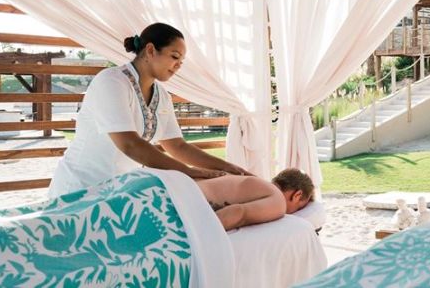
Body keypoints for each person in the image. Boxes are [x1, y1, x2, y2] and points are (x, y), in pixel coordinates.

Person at [49, 22, 249, 198]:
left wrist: (227, 167)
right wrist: (188, 172)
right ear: (151, 50)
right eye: (174, 56)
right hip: (80, 188)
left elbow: (177, 146)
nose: (178, 65)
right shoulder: (111, 81)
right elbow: (129, 144)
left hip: (118, 191)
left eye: (181, 61)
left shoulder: (162, 94)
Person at [195, 168, 315, 230]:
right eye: (299, 208)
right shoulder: (278, 201)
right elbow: (238, 213)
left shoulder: (257, 184)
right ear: (297, 195)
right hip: (185, 205)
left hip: (184, 190)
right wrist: (195, 236)